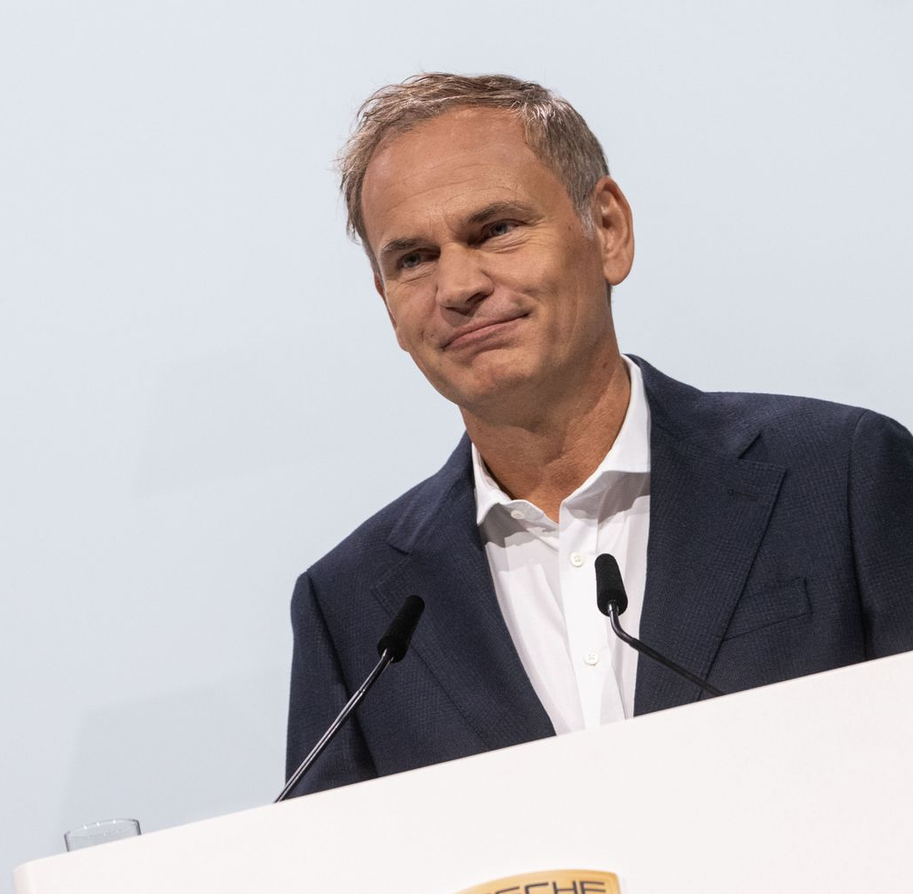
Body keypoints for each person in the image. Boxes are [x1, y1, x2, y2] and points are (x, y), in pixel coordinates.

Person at [285, 72, 913, 796]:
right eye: (413, 259)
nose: (457, 286)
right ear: (387, 304)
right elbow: (333, 887)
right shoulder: (352, 609)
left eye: (495, 230)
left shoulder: (839, 480)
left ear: (607, 229)